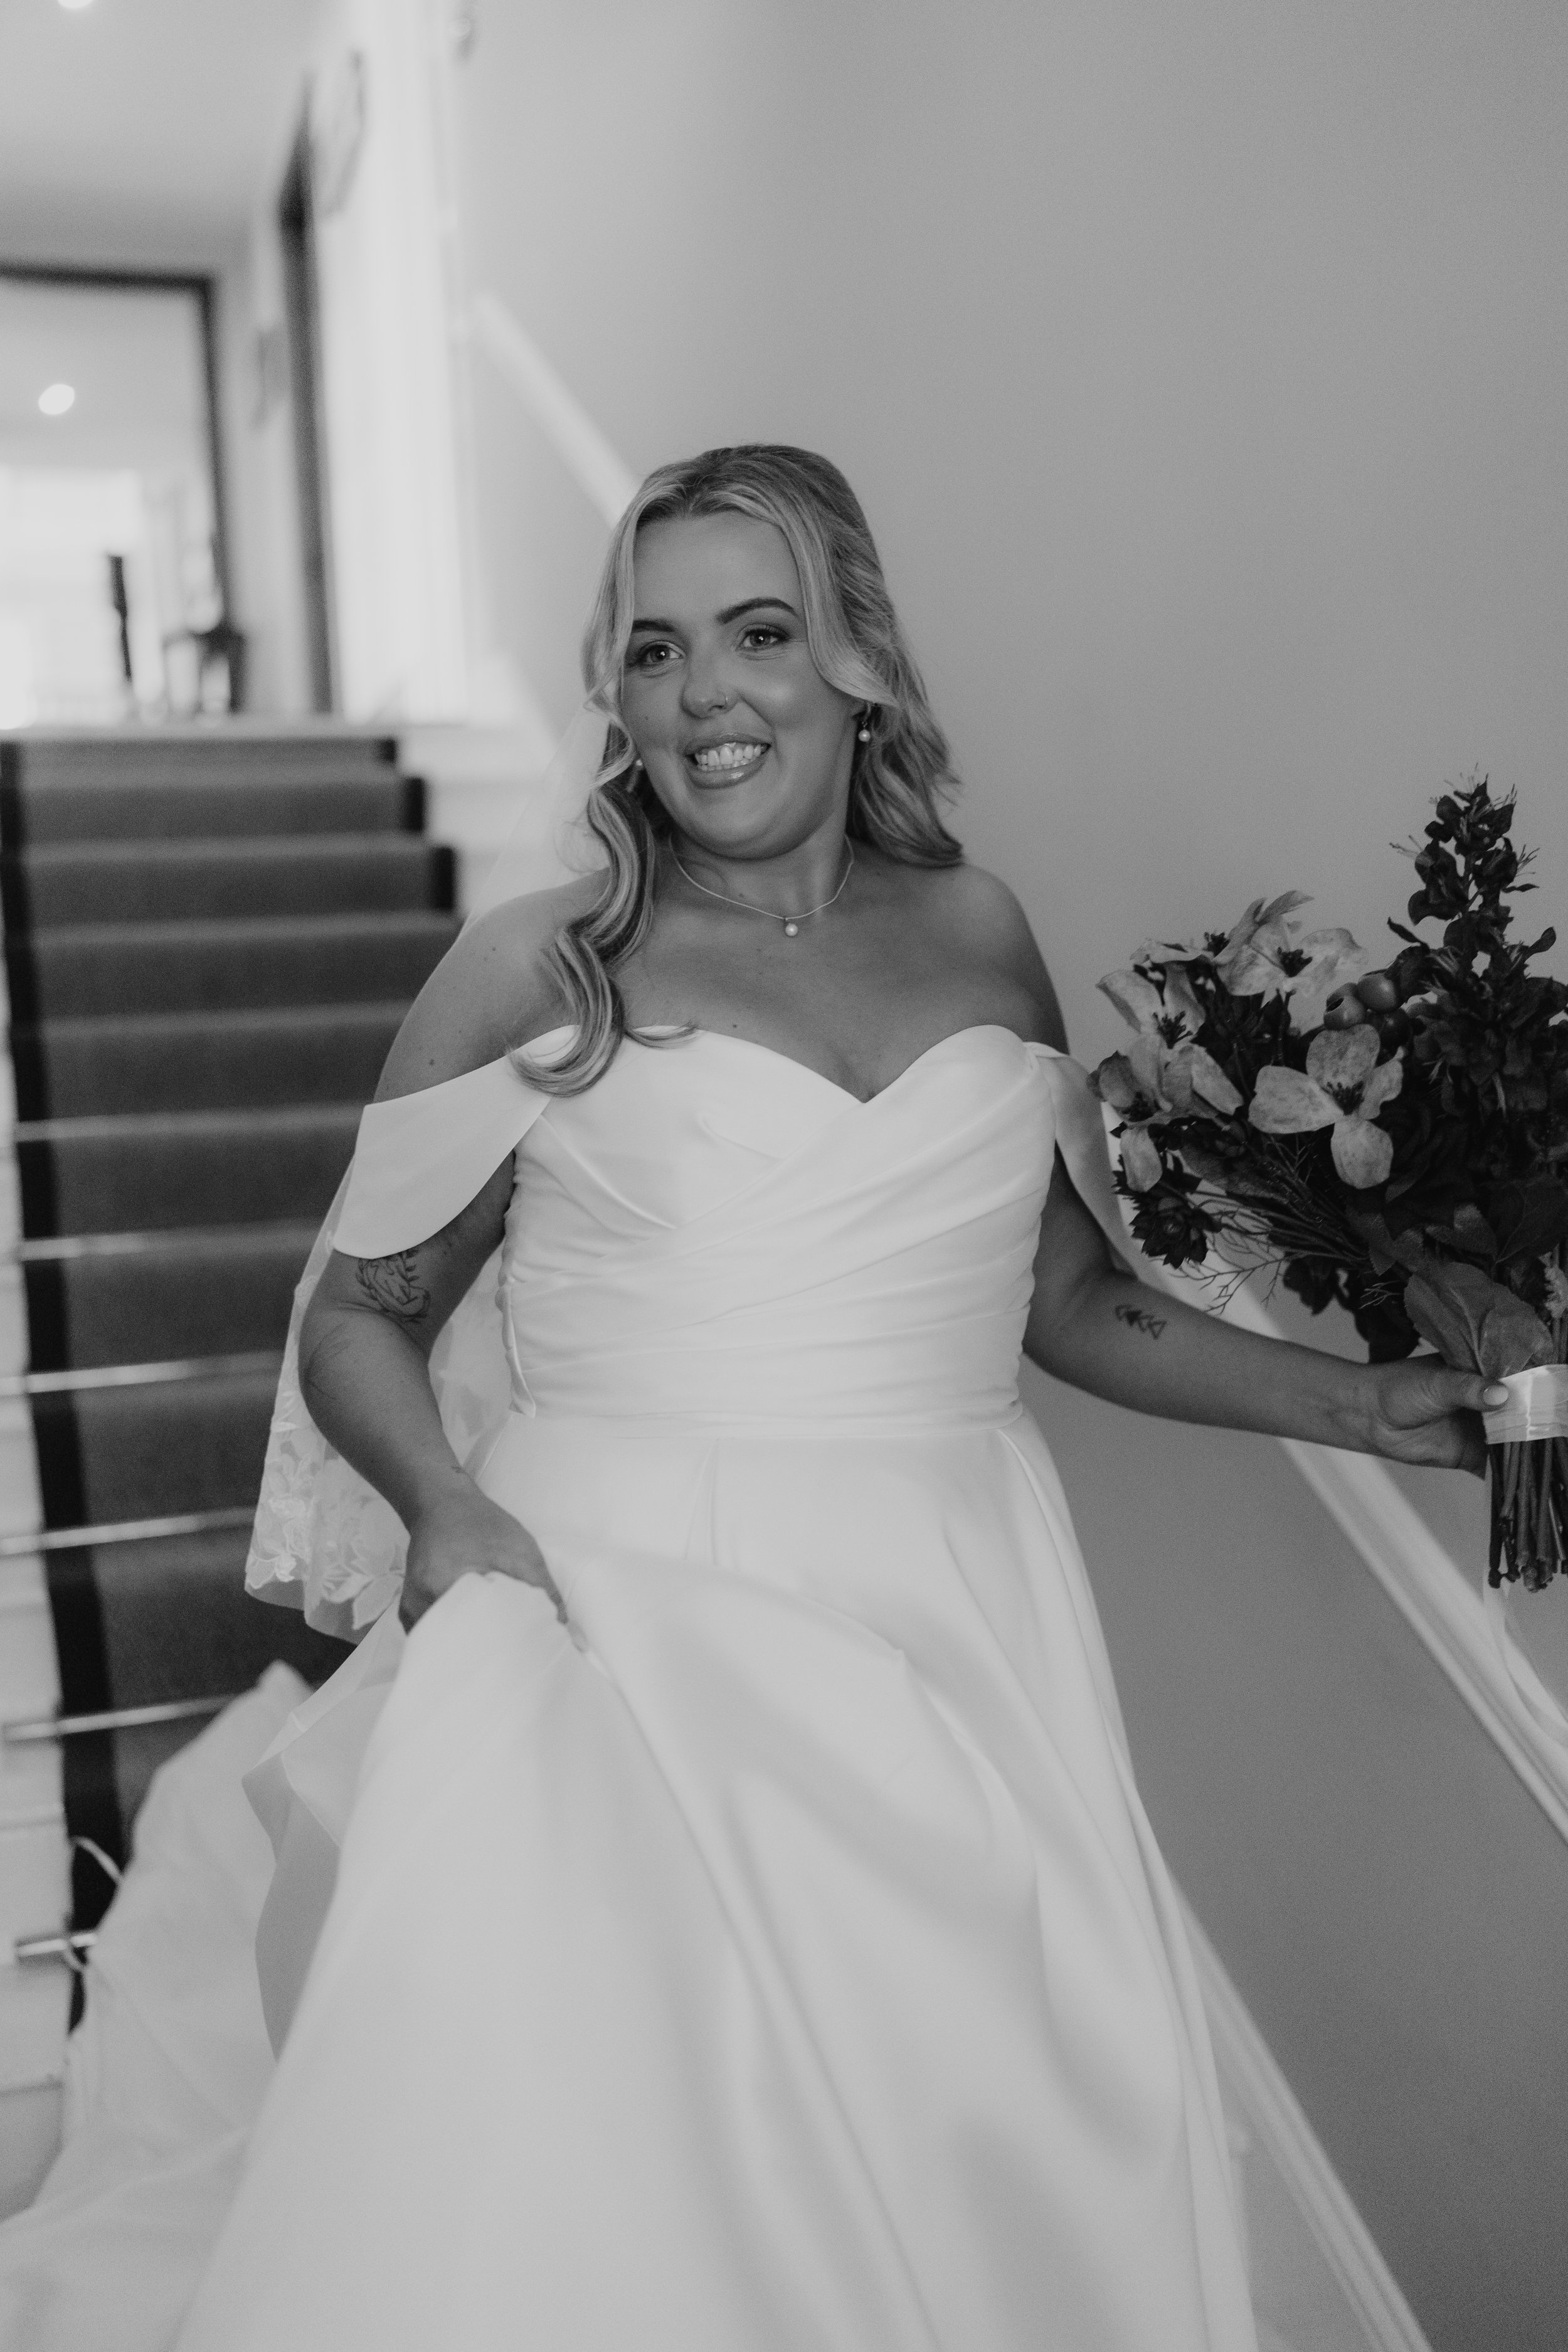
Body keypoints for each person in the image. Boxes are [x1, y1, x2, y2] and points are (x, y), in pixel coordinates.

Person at [164, 445, 1498, 2350]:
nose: (705, 695)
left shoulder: (978, 933)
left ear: (859, 659)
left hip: (956, 1600)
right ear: (611, 693)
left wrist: (1358, 1406)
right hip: (620, 1611)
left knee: (984, 2124)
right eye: (652, 650)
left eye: (759, 632)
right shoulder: (539, 963)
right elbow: (362, 1313)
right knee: (642, 2177)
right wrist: (448, 1508)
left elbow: (1059, 1292)